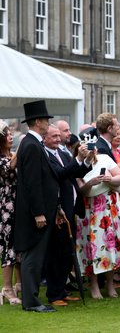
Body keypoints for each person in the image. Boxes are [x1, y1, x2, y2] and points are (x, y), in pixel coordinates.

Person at [14, 100, 60, 312]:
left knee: (36, 256)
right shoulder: (31, 145)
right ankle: (31, 301)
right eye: (46, 120)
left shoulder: (32, 144)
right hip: (36, 213)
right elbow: (33, 183)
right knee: (33, 256)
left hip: (41, 210)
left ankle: (32, 299)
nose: (48, 124)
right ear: (38, 121)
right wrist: (39, 213)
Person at [76, 141, 120, 299]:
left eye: (91, 147)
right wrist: (91, 182)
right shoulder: (78, 165)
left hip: (111, 206)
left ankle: (110, 284)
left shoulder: (104, 158)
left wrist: (108, 180)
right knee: (94, 246)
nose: (90, 151)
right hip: (92, 210)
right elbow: (81, 190)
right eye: (85, 149)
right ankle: (94, 284)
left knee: (112, 245)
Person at [43, 125, 92, 306]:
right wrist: (78, 157)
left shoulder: (63, 153)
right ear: (45, 138)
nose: (58, 139)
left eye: (59, 135)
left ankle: (62, 290)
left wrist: (86, 161)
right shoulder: (45, 155)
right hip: (58, 212)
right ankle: (54, 294)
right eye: (54, 136)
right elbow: (60, 174)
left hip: (70, 209)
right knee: (56, 254)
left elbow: (75, 172)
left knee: (66, 253)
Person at [0, 120, 20, 306]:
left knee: (18, 243)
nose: (11, 136)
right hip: (6, 205)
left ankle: (19, 283)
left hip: (17, 202)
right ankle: (6, 288)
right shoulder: (3, 159)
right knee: (8, 246)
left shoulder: (13, 154)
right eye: (7, 134)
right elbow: (8, 169)